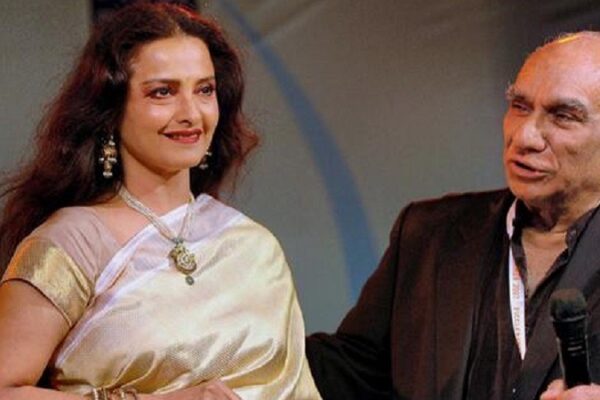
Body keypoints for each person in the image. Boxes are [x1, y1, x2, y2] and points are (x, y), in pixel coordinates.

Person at [0, 3, 321, 400]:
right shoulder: (73, 242)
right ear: (112, 109)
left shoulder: (254, 247)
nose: (191, 113)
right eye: (163, 92)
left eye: (204, 90)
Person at [306, 31, 600, 400]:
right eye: (520, 107)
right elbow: (351, 370)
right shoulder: (430, 233)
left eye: (563, 116)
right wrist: (251, 350)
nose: (524, 136)